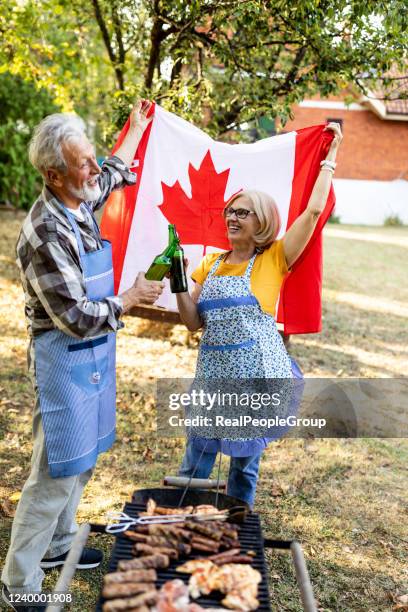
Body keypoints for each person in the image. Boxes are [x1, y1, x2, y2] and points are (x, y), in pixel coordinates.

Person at [2, 100, 164, 611]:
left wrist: (136, 130)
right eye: (82, 163)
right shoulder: (45, 232)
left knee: (83, 460)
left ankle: (56, 546)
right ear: (53, 175)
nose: (94, 170)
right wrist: (131, 299)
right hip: (64, 359)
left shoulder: (78, 199)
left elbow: (113, 173)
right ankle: (19, 581)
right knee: (54, 474)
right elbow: (74, 315)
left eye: (92, 158)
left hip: (92, 357)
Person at [175, 122, 343, 508]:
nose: (232, 217)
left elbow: (314, 210)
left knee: (243, 470)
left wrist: (328, 161)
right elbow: (191, 321)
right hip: (213, 381)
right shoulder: (210, 263)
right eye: (230, 211)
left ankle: (236, 535)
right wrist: (180, 282)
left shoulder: (275, 259)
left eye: (242, 212)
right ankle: (184, 530)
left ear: (261, 221)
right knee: (195, 464)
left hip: (256, 383)